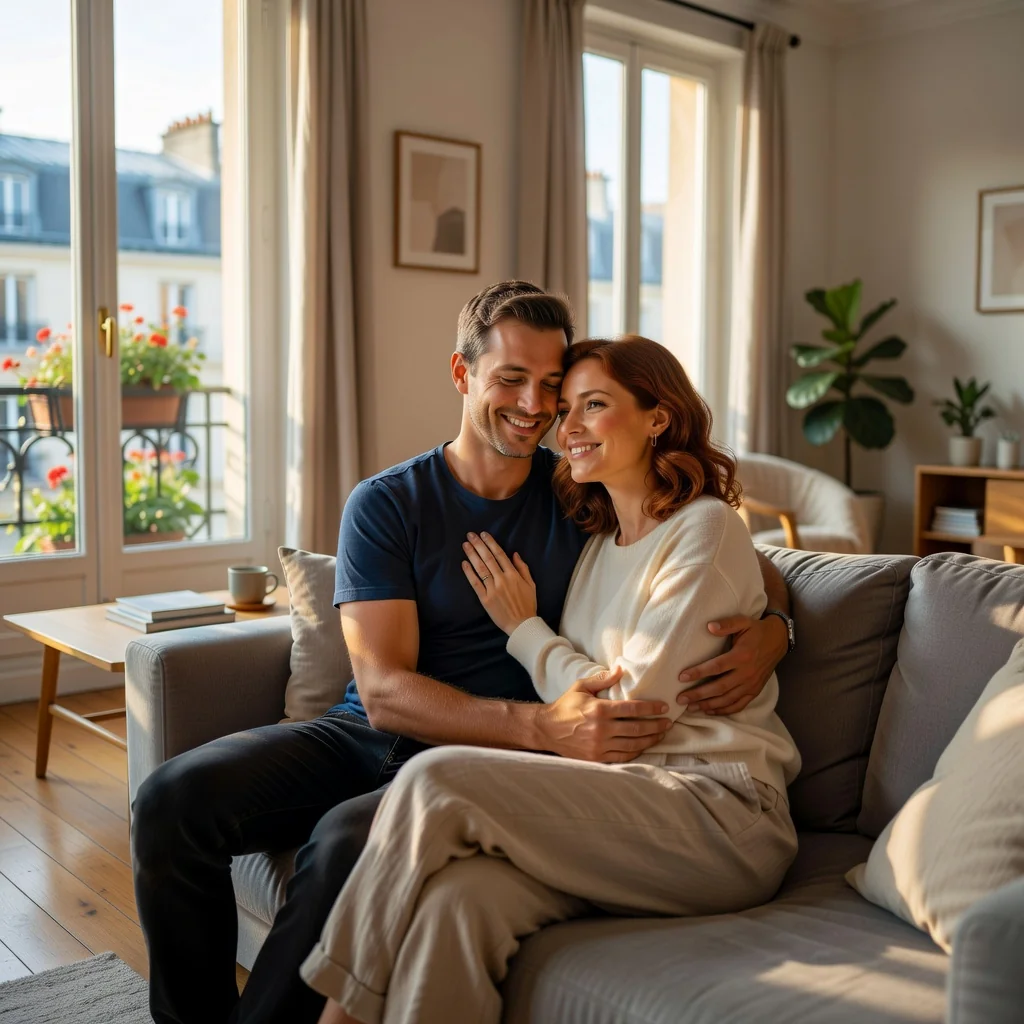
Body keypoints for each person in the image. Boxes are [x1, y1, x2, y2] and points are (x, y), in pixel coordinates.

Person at [131, 283, 792, 1024]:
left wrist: (774, 632)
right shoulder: (389, 502)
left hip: (499, 765)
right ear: (463, 374)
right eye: (511, 378)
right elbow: (382, 690)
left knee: (347, 841)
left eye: (553, 387)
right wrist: (543, 726)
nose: (537, 406)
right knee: (170, 802)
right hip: (372, 737)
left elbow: (744, 564)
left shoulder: (582, 491)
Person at [302, 336, 802, 1024]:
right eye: (566, 409)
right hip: (624, 802)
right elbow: (581, 705)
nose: (565, 427)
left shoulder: (705, 528)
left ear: (658, 417)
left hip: (719, 813)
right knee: (459, 902)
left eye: (593, 406)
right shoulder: (595, 547)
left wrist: (525, 628)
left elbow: (625, 713)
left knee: (433, 780)